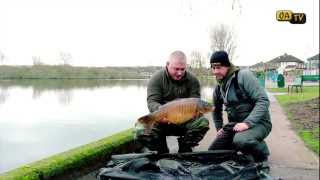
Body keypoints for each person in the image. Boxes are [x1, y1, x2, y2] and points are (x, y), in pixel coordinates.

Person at [134, 50, 209, 153]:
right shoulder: (156, 79)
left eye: (182, 69)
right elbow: (152, 102)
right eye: (176, 69)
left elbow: (196, 102)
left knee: (203, 123)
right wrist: (161, 114)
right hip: (163, 120)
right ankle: (162, 150)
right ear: (167, 64)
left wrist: (195, 114)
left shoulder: (193, 80)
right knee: (140, 129)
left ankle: (184, 149)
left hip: (184, 120)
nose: (180, 73)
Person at [208, 50, 272, 165]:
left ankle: (262, 152)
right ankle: (243, 146)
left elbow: (263, 100)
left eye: (218, 67)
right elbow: (216, 111)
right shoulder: (218, 87)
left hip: (259, 123)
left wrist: (247, 123)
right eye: (213, 68)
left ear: (227, 66)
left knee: (241, 140)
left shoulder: (243, 76)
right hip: (236, 126)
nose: (215, 71)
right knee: (213, 153)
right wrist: (219, 129)